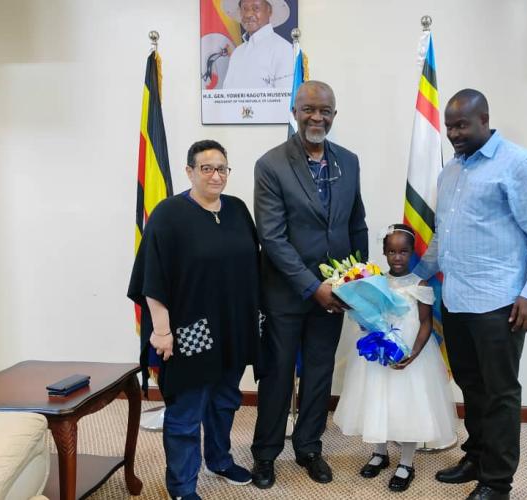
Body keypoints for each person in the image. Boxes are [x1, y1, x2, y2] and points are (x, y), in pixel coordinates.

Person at [415, 89, 527, 500]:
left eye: (462, 124)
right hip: (457, 300)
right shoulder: (450, 173)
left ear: (485, 120)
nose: (453, 133)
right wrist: (412, 275)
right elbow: (442, 239)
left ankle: (498, 483)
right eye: (449, 126)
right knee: (471, 385)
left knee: (499, 393)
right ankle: (476, 457)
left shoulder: (518, 165)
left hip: (501, 305)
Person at [250, 80, 368, 488]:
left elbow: (357, 223)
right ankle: (265, 454)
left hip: (333, 294)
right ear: (295, 111)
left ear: (335, 115)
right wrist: (311, 286)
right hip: (285, 293)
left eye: (326, 111)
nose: (317, 117)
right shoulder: (270, 165)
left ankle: (309, 448)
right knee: (278, 374)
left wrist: (356, 282)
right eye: (309, 109)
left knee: (319, 373)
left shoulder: (349, 161)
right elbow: (273, 238)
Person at [128, 140, 261, 500]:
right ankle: (182, 487)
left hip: (233, 328)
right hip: (190, 331)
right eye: (206, 168)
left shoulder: (237, 209)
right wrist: (161, 331)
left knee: (224, 401)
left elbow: (253, 266)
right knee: (187, 412)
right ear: (189, 171)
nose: (216, 175)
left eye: (222, 168)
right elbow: (152, 278)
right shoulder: (169, 215)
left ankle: (219, 459)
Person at [333, 224, 457, 492]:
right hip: (378, 355)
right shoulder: (375, 281)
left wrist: (413, 354)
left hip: (410, 355)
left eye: (403, 251)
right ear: (384, 252)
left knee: (408, 405)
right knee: (377, 399)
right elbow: (368, 315)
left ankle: (406, 462)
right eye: (391, 251)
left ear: (412, 253)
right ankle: (380, 453)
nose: (397, 257)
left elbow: (425, 323)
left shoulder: (420, 284)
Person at [221, 0, 293, 89]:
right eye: (244, 9)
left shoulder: (284, 50)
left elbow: (286, 99)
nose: (248, 14)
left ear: (269, 11)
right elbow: (226, 94)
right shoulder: (237, 52)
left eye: (256, 8)